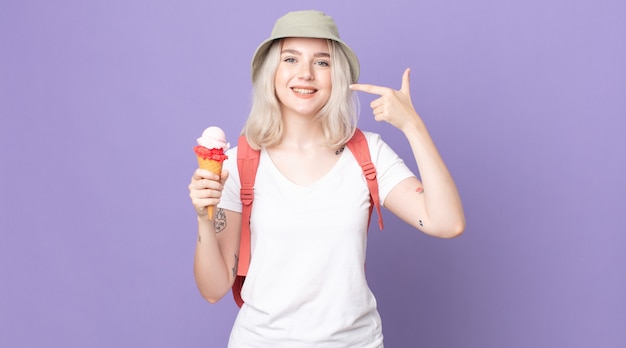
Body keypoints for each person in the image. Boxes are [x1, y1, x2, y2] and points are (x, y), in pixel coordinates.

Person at [188, 10, 465, 347]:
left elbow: (447, 223)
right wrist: (205, 219)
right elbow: (214, 289)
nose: (305, 73)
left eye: (322, 62)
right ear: (271, 72)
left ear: (337, 75)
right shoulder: (240, 163)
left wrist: (413, 126)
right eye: (290, 59)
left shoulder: (368, 153)